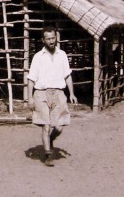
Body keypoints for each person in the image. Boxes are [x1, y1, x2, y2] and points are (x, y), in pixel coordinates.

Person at [27, 26, 77, 167]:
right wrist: (30, 98)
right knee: (46, 126)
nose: (51, 41)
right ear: (43, 40)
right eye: (48, 38)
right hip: (41, 93)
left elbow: (67, 75)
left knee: (59, 126)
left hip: (58, 93)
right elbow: (31, 79)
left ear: (56, 38)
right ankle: (48, 155)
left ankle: (50, 139)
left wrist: (71, 93)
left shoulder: (62, 55)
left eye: (53, 38)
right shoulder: (38, 57)